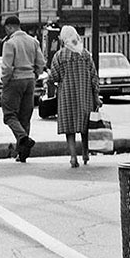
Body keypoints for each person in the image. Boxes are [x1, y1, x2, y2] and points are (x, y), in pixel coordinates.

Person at [47, 25, 101, 168]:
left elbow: (54, 77)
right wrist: (96, 96)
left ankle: (73, 157)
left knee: (69, 127)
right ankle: (85, 153)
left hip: (66, 96)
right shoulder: (85, 54)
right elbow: (94, 76)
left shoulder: (59, 55)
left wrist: (49, 77)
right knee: (85, 125)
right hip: (85, 95)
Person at [0, 15, 46, 162]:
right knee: (25, 117)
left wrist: (5, 81)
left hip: (15, 79)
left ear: (9, 27)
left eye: (6, 29)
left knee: (9, 115)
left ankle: (23, 138)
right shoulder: (33, 41)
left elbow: (7, 67)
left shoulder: (10, 43)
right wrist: (35, 75)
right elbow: (41, 62)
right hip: (30, 80)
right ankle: (23, 154)